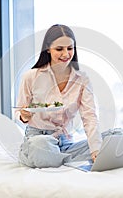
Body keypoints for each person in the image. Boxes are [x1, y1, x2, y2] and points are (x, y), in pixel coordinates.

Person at [15, 24, 102, 168]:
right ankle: (63, 159)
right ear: (48, 48)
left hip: (66, 144)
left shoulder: (82, 79)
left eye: (70, 48)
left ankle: (59, 159)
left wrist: (95, 149)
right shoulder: (31, 76)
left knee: (116, 135)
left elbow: (89, 117)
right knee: (39, 145)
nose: (66, 54)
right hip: (39, 139)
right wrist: (24, 115)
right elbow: (19, 111)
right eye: (59, 49)